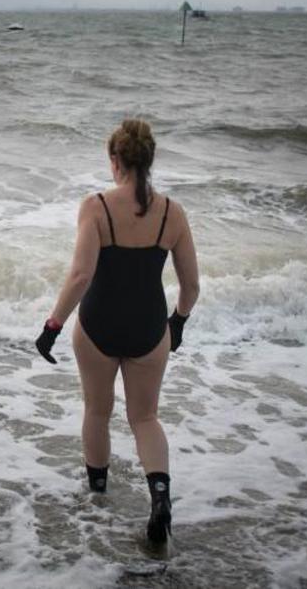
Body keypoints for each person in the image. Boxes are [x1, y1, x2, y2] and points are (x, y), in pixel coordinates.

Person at [34, 119, 199, 546]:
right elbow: (191, 286)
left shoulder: (97, 207)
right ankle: (159, 497)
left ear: (115, 161)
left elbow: (80, 275)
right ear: (149, 160)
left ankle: (97, 498)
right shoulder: (172, 213)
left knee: (97, 411)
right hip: (148, 329)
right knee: (145, 417)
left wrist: (52, 326)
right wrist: (176, 324)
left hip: (97, 328)